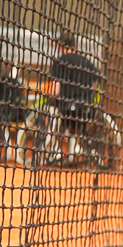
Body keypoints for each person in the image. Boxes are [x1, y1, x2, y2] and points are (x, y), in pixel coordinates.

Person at [48, 31, 99, 161]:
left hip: (66, 107)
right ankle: (77, 147)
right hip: (86, 107)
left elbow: (55, 90)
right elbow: (94, 85)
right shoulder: (87, 62)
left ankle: (55, 150)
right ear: (75, 46)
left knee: (48, 110)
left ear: (59, 46)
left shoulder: (60, 62)